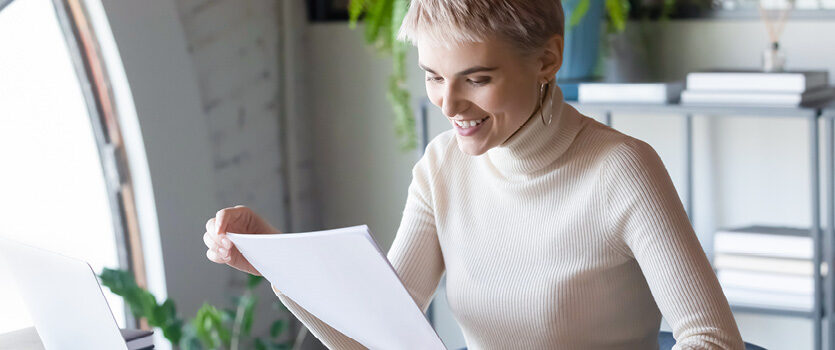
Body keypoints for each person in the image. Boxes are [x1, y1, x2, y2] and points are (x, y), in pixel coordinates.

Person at [203, 0, 745, 348]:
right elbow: (373, 337)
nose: (449, 103)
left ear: (547, 61)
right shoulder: (441, 166)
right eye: (433, 77)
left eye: (477, 79)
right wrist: (277, 259)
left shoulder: (622, 169)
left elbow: (712, 340)